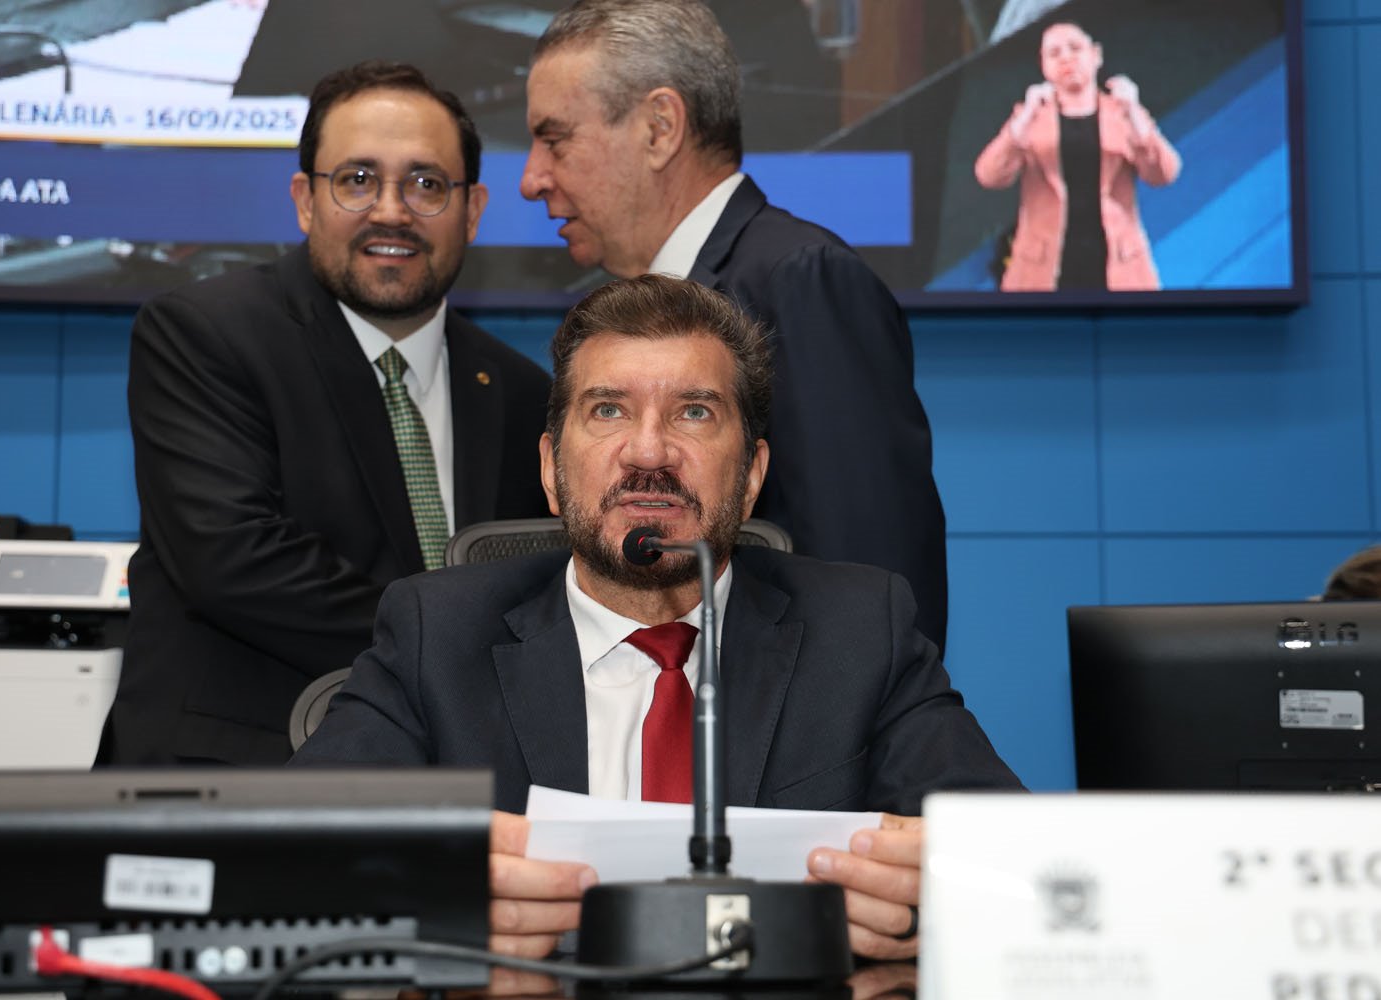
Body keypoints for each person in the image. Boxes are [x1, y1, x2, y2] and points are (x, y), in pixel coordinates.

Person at [292, 273, 1021, 961]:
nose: (649, 451)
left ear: (752, 475)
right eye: (608, 410)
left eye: (694, 412)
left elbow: (1016, 862)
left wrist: (928, 900)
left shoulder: (859, 632)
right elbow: (289, 855)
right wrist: (436, 893)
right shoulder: (438, 634)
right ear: (550, 470)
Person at [100, 61, 551, 766]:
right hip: (236, 779)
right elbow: (233, 561)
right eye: (357, 179)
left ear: (473, 210)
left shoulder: (524, 392)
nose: (392, 211)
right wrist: (456, 645)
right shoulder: (204, 334)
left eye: (427, 184)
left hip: (450, 784)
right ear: (305, 200)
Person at [515, 0, 951, 653]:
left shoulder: (801, 280)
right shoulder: (632, 309)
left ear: (660, 128)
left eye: (555, 139)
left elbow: (875, 580)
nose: (531, 179)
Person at [975, 21, 1181, 292]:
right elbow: (989, 175)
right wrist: (1023, 120)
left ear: (1096, 55)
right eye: (1054, 53)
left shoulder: (1122, 113)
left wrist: (1133, 110)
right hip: (1043, 270)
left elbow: (1165, 174)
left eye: (1075, 48)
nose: (1066, 58)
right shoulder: (1031, 117)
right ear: (1043, 66)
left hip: (1119, 267)